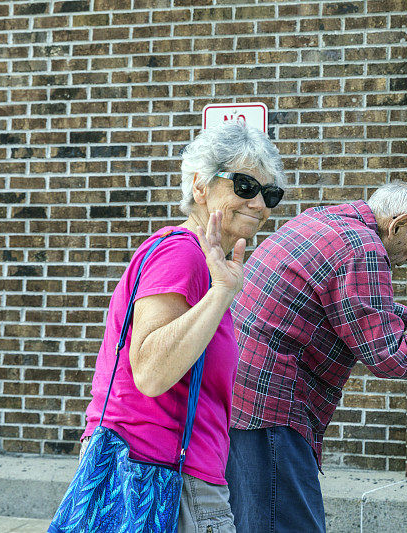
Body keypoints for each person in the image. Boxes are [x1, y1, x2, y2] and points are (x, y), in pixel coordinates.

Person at [225, 181, 407, 532]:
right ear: (398, 225)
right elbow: (391, 357)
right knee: (287, 523)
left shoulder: (325, 220)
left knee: (257, 519)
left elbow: (342, 295)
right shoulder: (364, 248)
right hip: (272, 403)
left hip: (242, 391)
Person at [79, 121, 286, 533]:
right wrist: (221, 293)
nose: (259, 203)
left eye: (270, 193)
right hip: (160, 477)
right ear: (200, 186)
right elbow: (151, 371)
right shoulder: (184, 255)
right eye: (244, 185)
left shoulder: (207, 263)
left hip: (169, 470)